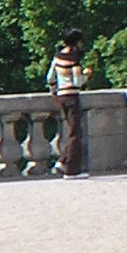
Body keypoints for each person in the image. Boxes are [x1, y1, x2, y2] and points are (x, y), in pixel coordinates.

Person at [46, 29, 90, 177]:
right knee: (75, 134)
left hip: (61, 97)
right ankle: (71, 169)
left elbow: (50, 77)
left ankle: (62, 160)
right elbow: (77, 82)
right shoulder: (74, 58)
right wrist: (86, 75)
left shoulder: (58, 56)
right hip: (72, 97)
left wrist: (55, 90)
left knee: (71, 132)